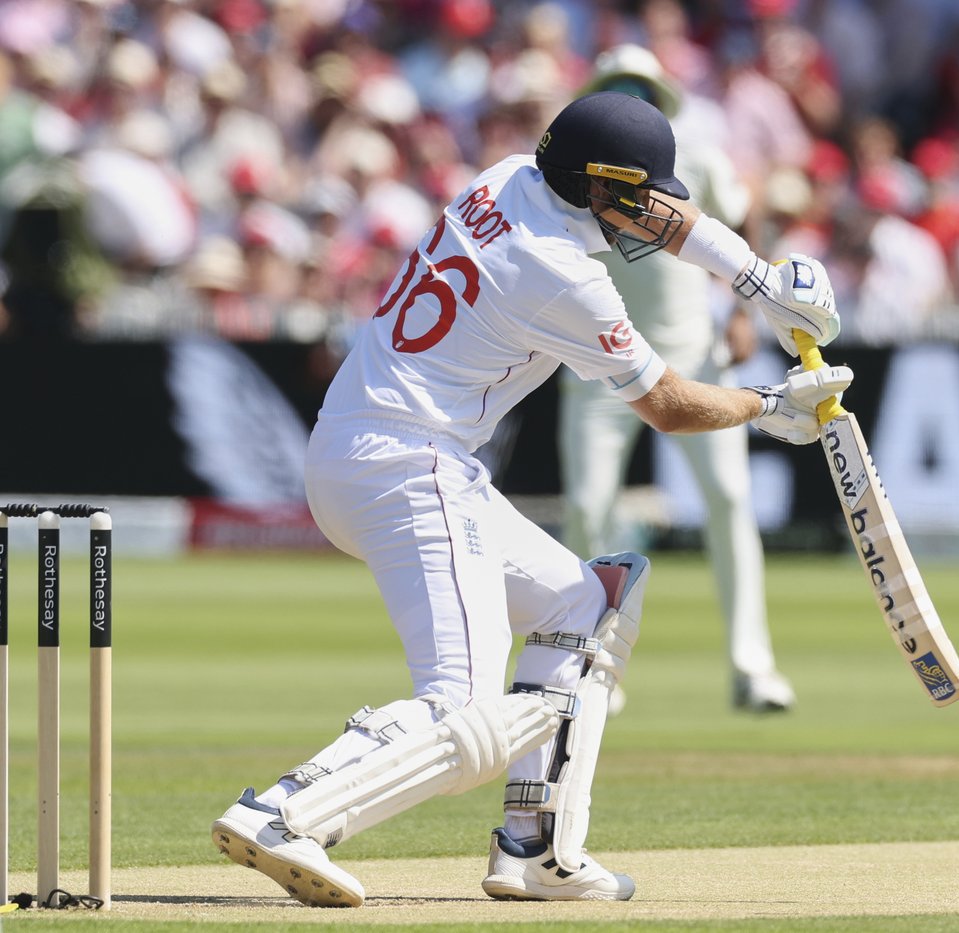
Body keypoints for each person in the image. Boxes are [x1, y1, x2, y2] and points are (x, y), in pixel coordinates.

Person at [210, 90, 850, 906]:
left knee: (589, 601)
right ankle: (281, 812)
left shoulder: (511, 174)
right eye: (637, 197)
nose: (652, 217)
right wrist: (769, 404)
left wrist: (757, 280)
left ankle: (535, 848)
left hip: (377, 445)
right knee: (465, 713)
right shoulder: (560, 275)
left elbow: (666, 217)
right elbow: (667, 404)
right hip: (407, 464)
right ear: (597, 189)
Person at [558, 44, 795, 712]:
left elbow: (741, 215)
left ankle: (754, 668)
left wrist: (745, 308)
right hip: (599, 359)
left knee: (729, 500)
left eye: (642, 88)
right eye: (618, 87)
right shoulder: (571, 165)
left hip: (694, 355)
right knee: (586, 506)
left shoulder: (694, 153)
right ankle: (593, 666)